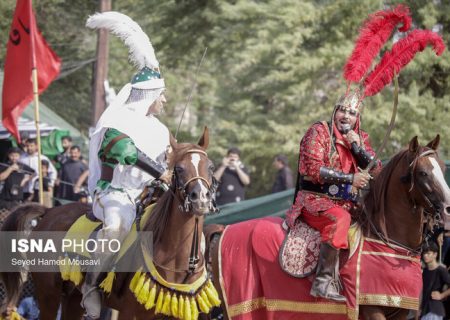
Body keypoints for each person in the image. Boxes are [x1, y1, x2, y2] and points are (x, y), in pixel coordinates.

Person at [82, 11, 172, 319]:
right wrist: (161, 171)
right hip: (116, 193)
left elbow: (169, 160)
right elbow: (124, 151)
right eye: (162, 96)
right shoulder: (117, 121)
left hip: (148, 195)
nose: (165, 102)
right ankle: (91, 287)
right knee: (117, 228)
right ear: (149, 95)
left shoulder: (159, 129)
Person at [286, 91, 380, 302]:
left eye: (352, 113)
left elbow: (377, 170)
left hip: (350, 203)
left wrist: (357, 148)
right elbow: (313, 169)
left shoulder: (361, 138)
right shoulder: (319, 131)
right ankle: (322, 282)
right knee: (340, 219)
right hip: (315, 200)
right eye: (342, 110)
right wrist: (350, 179)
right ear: (334, 112)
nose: (346, 116)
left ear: (358, 118)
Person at [420, 242, 450, 320]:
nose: (425, 255)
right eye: (424, 253)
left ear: (435, 254)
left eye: (428, 253)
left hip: (435, 310)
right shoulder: (425, 271)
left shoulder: (441, 270)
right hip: (424, 311)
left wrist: (441, 295)